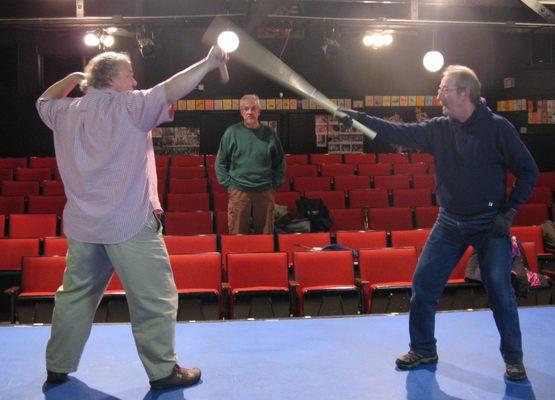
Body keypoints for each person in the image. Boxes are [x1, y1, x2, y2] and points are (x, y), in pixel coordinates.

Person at [36, 46, 228, 390]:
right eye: (129, 74)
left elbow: (43, 100)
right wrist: (209, 62)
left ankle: (57, 366)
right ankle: (162, 371)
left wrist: (73, 78)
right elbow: (172, 87)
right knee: (155, 298)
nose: (135, 80)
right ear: (111, 79)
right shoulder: (130, 105)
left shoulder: (64, 111)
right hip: (129, 225)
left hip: (82, 227)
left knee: (74, 297)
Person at [340, 65, 538, 381]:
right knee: (423, 285)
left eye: (443, 88)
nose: (438, 94)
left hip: (489, 225)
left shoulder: (499, 129)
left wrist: (509, 212)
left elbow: (529, 171)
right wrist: (357, 118)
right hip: (449, 221)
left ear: (463, 93)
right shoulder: (439, 128)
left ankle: (514, 360)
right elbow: (398, 133)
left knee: (500, 292)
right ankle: (423, 349)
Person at [215, 94, 286, 234]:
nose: (249, 112)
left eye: (253, 108)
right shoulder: (232, 132)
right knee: (237, 236)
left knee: (265, 237)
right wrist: (229, 186)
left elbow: (280, 162)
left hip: (265, 192)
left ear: (259, 111)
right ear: (241, 112)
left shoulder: (269, 133)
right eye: (246, 109)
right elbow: (220, 163)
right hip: (239, 192)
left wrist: (274, 185)